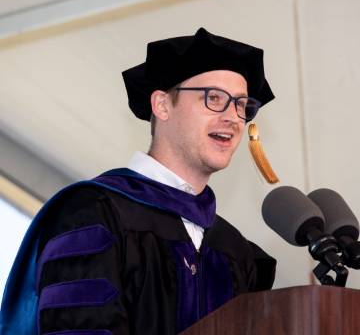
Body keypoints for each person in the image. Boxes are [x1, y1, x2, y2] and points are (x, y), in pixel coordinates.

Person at [0, 27, 276, 335]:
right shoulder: (94, 213)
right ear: (161, 105)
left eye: (241, 105)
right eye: (213, 98)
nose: (233, 117)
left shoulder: (233, 249)